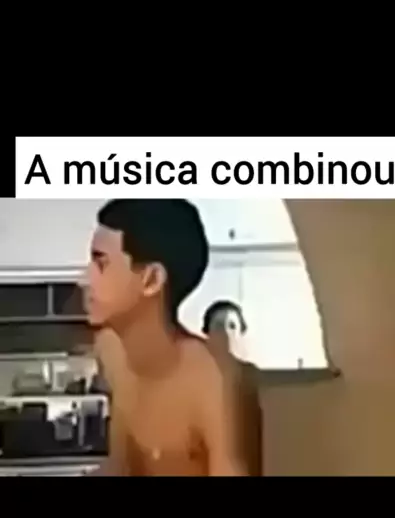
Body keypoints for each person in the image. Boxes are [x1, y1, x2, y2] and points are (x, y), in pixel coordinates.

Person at [82, 199, 261, 477]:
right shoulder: (113, 354)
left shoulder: (215, 380)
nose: (85, 279)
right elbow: (120, 467)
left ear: (151, 280)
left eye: (101, 264)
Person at [202, 300, 263, 474]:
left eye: (232, 326)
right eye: (218, 326)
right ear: (208, 334)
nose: (226, 332)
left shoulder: (252, 376)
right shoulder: (196, 376)